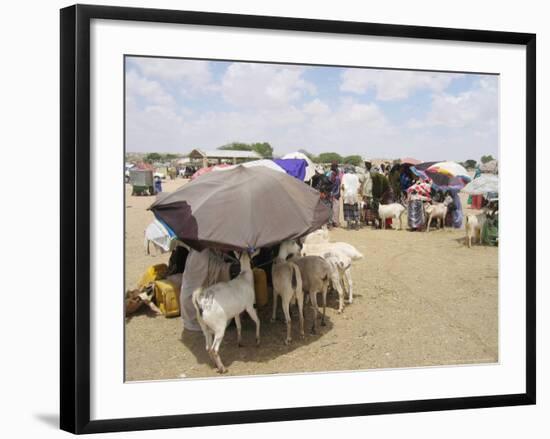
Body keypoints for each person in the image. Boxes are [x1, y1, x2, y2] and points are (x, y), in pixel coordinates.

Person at [179, 248, 232, 332]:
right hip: (195, 308)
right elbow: (224, 269)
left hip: (188, 307)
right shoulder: (203, 255)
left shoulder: (197, 250)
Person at [327, 161, 341, 228]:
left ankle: (330, 222)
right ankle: (335, 222)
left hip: (330, 193)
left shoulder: (329, 174)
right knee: (336, 208)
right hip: (336, 193)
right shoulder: (337, 174)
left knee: (330, 207)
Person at [361, 161, 374, 226]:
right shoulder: (373, 172)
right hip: (369, 193)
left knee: (367, 207)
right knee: (369, 206)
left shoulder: (366, 173)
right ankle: (369, 220)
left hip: (367, 192)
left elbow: (361, 180)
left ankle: (366, 220)